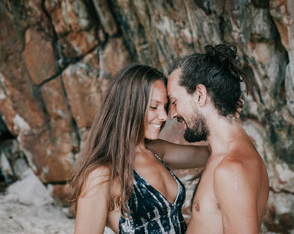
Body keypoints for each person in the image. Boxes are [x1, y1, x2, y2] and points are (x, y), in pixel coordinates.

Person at [68, 64, 210, 234]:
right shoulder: (102, 175)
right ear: (129, 107)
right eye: (153, 107)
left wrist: (220, 113)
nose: (164, 116)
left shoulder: (156, 151)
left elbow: (211, 154)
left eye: (164, 106)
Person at [167, 44, 269, 233]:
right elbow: (160, 153)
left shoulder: (231, 169)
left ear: (200, 95)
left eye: (174, 102)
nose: (172, 114)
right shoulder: (221, 156)